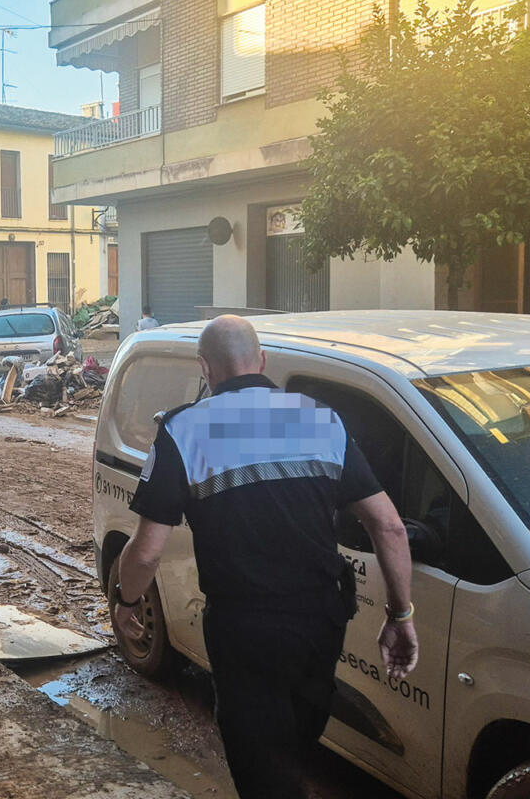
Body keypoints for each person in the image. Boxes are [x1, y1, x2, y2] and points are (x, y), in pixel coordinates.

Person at [114, 315, 418, 799]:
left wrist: (126, 601)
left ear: (205, 369)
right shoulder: (321, 418)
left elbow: (147, 551)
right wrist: (400, 614)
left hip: (245, 629)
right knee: (297, 740)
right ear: (262, 361)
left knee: (261, 763)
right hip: (321, 619)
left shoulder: (183, 430)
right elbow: (390, 526)